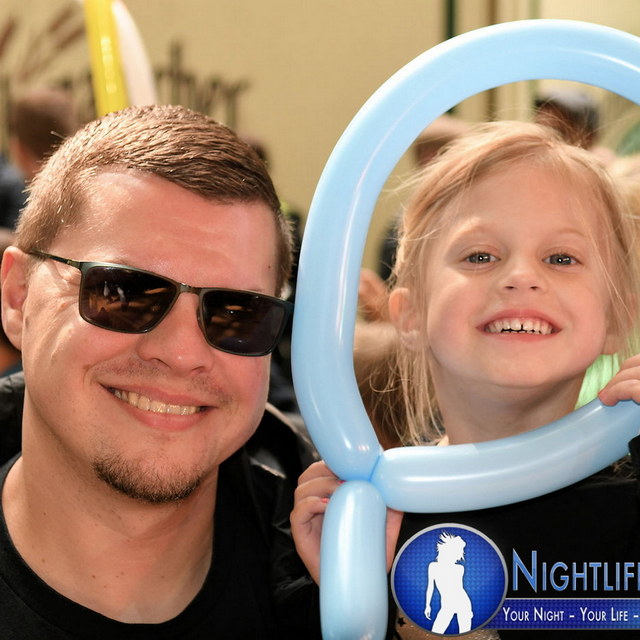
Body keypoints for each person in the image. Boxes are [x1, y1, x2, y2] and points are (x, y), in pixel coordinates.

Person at [292, 121, 640, 639]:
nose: (521, 277)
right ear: (410, 315)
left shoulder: (631, 505)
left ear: (616, 319)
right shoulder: (373, 518)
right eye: (480, 256)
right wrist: (353, 594)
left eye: (561, 258)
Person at [0, 104, 320, 638]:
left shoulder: (363, 593)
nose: (182, 352)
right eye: (123, 293)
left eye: (236, 312)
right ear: (17, 297)